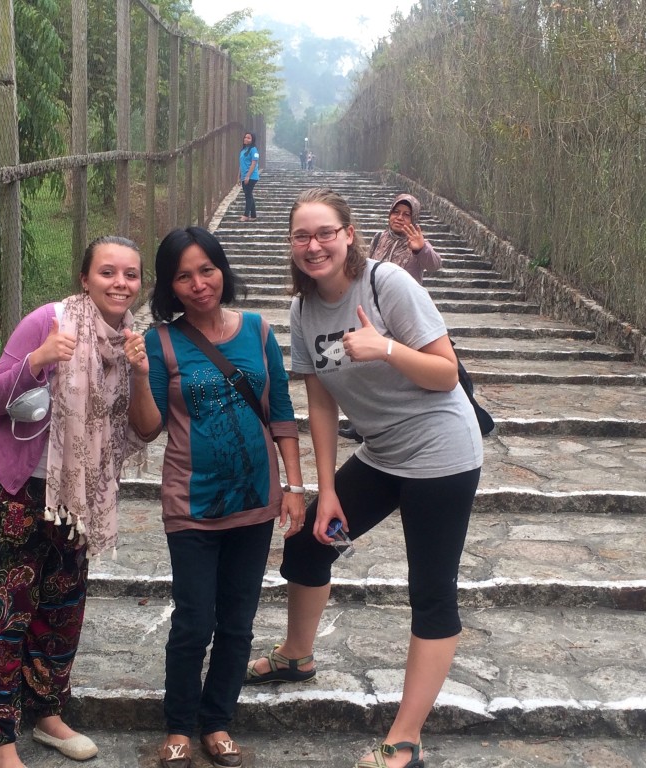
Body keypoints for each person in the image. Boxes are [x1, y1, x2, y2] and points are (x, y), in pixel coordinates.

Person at [245, 189, 483, 768]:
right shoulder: (303, 312)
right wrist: (325, 491)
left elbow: (446, 374)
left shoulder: (388, 285)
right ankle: (299, 654)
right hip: (380, 453)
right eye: (302, 236)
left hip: (441, 456)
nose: (314, 245)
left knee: (430, 591)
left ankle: (405, 739)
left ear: (349, 234)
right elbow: (321, 404)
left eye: (325, 232)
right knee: (307, 544)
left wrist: (386, 348)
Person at [0, 236, 162, 768]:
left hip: (77, 503)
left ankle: (48, 716)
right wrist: (39, 359)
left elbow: (144, 431)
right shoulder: (48, 321)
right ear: (84, 278)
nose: (119, 283)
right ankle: (1, 744)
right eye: (107, 272)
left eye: (130, 274)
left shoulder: (128, 344)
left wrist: (142, 374)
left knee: (60, 612)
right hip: (16, 495)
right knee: (1, 615)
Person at [131, 226, 306, 768]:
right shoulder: (162, 342)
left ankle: (218, 722)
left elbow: (280, 412)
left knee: (237, 621)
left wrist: (295, 488)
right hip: (192, 502)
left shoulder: (256, 330)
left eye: (207, 269)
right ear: (170, 286)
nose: (199, 283)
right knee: (192, 621)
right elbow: (147, 428)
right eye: (184, 275)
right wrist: (139, 375)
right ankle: (180, 725)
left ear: (222, 270)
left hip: (256, 499)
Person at [339, 193, 443, 442]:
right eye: (396, 212)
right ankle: (361, 424)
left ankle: (394, 423)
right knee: (365, 370)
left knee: (393, 372)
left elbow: (435, 264)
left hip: (401, 317)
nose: (400, 218)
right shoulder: (378, 237)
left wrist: (421, 249)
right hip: (372, 312)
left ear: (414, 219)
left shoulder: (416, 242)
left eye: (407, 214)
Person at [238, 132, 260, 222]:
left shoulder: (254, 150)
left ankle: (246, 215)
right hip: (244, 176)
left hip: (252, 176)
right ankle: (253, 215)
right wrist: (238, 176)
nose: (246, 139)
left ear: (252, 140)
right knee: (249, 195)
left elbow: (254, 163)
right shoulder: (243, 151)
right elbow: (241, 164)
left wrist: (248, 176)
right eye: (245, 137)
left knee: (248, 195)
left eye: (249, 138)